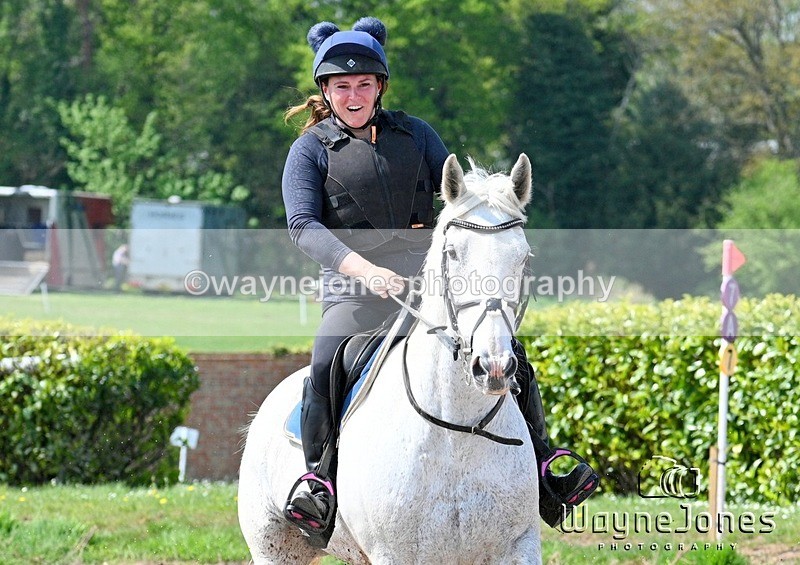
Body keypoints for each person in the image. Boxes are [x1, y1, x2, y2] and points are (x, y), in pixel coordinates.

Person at [281, 16, 598, 540]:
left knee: (507, 352)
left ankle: (544, 467)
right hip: (354, 290)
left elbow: (462, 199)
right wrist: (364, 270)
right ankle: (320, 482)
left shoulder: (418, 135)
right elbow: (303, 227)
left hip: (430, 288)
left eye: (364, 84)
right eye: (343, 86)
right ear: (326, 91)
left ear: (380, 87)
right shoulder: (309, 150)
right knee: (324, 363)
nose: (354, 94)